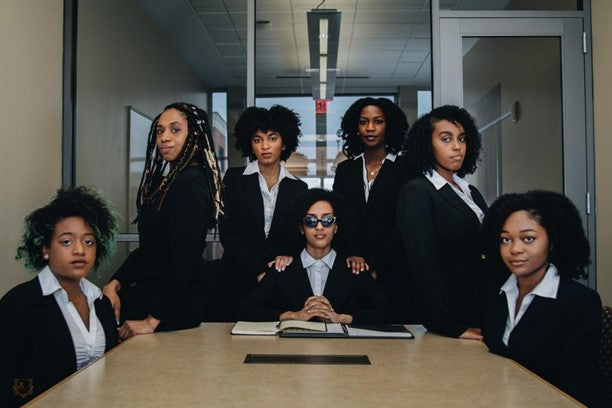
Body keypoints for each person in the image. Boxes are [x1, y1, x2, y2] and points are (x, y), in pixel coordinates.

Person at [103, 102, 223, 338]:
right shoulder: (171, 181)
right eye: (160, 131)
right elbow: (152, 251)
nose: (164, 138)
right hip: (154, 297)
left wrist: (151, 321)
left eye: (175, 129)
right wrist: (114, 283)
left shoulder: (190, 183)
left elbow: (184, 261)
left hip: (170, 310)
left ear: (194, 136)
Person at [0, 187, 119, 406]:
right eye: (66, 241)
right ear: (45, 248)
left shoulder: (100, 303)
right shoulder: (19, 304)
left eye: (88, 242)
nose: (79, 250)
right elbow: (8, 380)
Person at [481, 190, 601, 406]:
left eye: (528, 238)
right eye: (506, 239)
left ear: (553, 242)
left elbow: (576, 389)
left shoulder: (580, 302)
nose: (514, 249)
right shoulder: (497, 293)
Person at [237, 188, 396, 324]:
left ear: (336, 227)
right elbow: (247, 310)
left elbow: (388, 313)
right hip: (291, 353)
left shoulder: (354, 269)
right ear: (301, 228)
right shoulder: (283, 268)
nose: (320, 227)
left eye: (327, 220)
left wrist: (341, 318)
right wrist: (293, 316)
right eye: (311, 221)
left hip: (343, 353)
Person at [397, 105, 486, 338]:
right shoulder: (417, 191)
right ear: (428, 144)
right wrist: (451, 325)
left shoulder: (470, 191)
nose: (457, 146)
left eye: (462, 139)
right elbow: (423, 264)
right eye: (446, 139)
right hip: (451, 318)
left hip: (481, 307)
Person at [219, 105, 307, 311]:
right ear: (250, 144)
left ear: (284, 143)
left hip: (279, 278)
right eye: (257, 140)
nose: (265, 146)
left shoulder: (299, 188)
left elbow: (297, 235)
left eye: (272, 138)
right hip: (236, 276)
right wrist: (257, 271)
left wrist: (287, 257)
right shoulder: (233, 178)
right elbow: (228, 232)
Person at [332, 97, 411, 318]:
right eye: (363, 122)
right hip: (353, 269)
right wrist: (353, 256)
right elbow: (340, 219)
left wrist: (376, 264)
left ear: (390, 126)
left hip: (395, 269)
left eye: (378, 121)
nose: (370, 128)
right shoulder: (345, 170)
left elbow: (404, 225)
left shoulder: (406, 169)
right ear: (355, 127)